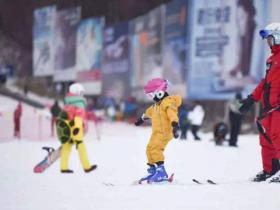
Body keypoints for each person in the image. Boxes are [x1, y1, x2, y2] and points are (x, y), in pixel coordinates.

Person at [239, 23, 280, 183]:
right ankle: (271, 170)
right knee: (266, 138)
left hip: (278, 106)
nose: (268, 43)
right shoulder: (272, 60)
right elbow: (266, 82)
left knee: (278, 135)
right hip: (269, 107)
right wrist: (251, 99)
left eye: (270, 39)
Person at [135, 78, 182, 183]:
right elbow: (149, 112)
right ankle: (153, 170)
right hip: (156, 133)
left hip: (165, 132)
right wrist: (142, 118)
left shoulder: (168, 103)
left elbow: (172, 114)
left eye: (151, 95)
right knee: (149, 149)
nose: (151, 98)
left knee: (156, 149)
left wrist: (175, 125)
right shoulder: (157, 105)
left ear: (160, 92)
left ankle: (161, 172)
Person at [56, 83, 96, 173]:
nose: (82, 94)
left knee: (66, 147)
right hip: (76, 129)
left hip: (67, 129)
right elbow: (78, 117)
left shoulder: (67, 103)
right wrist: (77, 128)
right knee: (81, 146)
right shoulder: (79, 103)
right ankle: (86, 167)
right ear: (77, 92)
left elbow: (67, 116)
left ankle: (64, 167)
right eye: (81, 92)